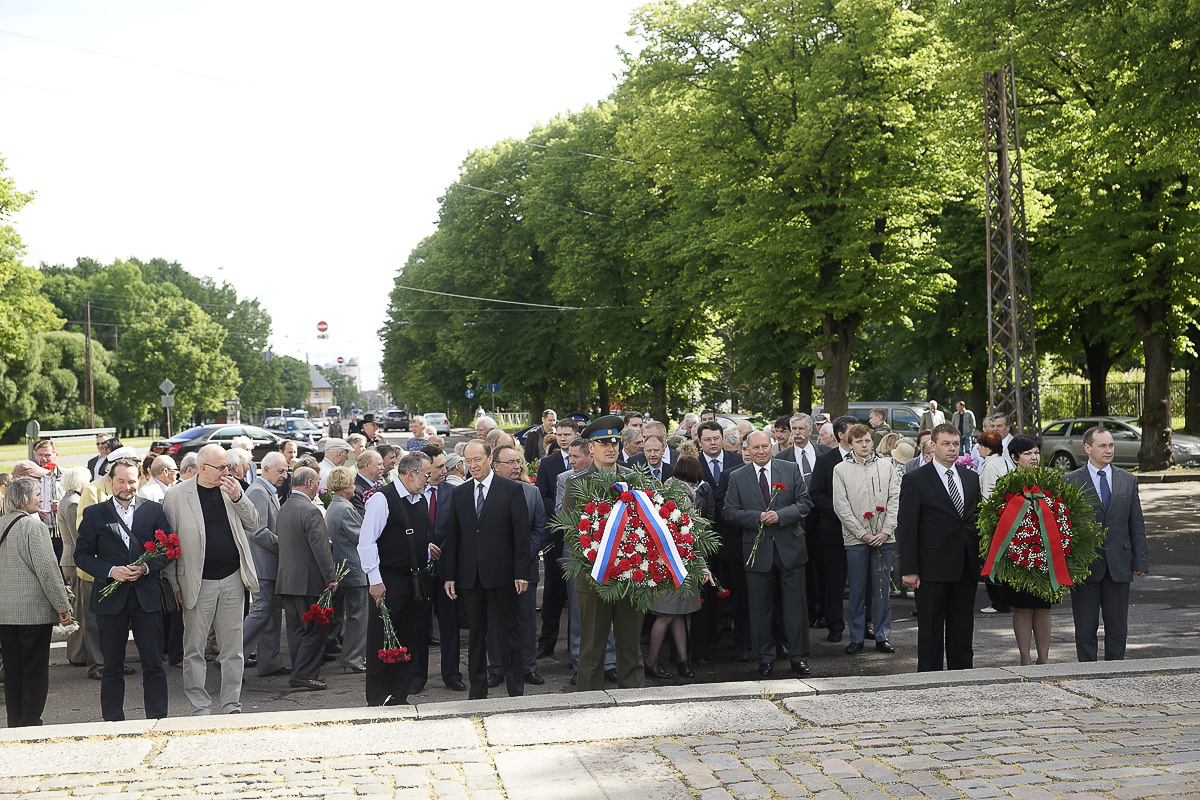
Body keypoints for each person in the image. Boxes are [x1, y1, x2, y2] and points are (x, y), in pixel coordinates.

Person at [164, 444, 260, 715]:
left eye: (228, 466)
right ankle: (200, 707)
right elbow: (169, 545)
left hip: (232, 579)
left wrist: (239, 497)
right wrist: (173, 583)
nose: (227, 471)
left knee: (233, 649)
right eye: (221, 467)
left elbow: (254, 523)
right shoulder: (176, 495)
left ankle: (231, 704)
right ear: (202, 468)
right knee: (194, 649)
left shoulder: (232, 488)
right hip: (197, 582)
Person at [74, 457, 171, 722]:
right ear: (110, 481)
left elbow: (168, 552)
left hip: (146, 598)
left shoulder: (153, 511)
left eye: (131, 481)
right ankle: (113, 723)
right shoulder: (95, 513)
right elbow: (81, 555)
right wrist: (110, 571)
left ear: (139, 480)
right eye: (121, 481)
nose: (126, 486)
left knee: (153, 664)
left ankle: (157, 719)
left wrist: (146, 568)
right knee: (112, 666)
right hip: (110, 599)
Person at [442, 440, 530, 699]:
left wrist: (521, 572)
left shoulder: (511, 490)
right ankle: (477, 690)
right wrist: (449, 575)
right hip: (470, 576)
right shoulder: (460, 493)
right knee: (476, 636)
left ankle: (516, 688)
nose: (473, 465)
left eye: (477, 459)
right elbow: (453, 537)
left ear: (490, 458)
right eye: (468, 461)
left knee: (508, 633)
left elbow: (521, 536)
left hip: (503, 575)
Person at [564, 416, 645, 690]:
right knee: (591, 650)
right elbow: (571, 533)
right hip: (593, 577)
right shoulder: (576, 484)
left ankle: (634, 701)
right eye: (603, 443)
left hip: (631, 576)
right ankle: (589, 704)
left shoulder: (633, 479)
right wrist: (602, 559)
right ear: (591, 449)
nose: (611, 447)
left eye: (615, 442)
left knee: (631, 647)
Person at [723, 430, 812, 677]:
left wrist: (781, 515)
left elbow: (805, 504)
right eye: (755, 448)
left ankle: (798, 657)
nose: (761, 451)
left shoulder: (791, 469)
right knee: (760, 609)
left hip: (790, 549)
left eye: (765, 446)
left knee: (795, 608)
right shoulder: (737, 477)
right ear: (747, 450)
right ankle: (765, 658)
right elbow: (729, 511)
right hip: (756, 550)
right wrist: (756, 518)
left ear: (771, 446)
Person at [897, 423, 981, 671]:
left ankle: (963, 677)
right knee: (931, 631)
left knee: (962, 628)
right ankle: (929, 681)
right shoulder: (915, 480)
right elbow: (907, 527)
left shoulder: (970, 477)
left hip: (965, 566)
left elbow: (974, 520)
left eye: (955, 444)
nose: (952, 449)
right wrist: (909, 569)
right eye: (946, 444)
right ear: (933, 445)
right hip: (931, 568)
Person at [358, 451, 437, 705]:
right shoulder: (383, 499)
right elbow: (367, 543)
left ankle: (399, 696)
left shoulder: (419, 498)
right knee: (383, 640)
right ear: (411, 474)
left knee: (408, 639)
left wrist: (424, 550)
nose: (428, 479)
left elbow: (407, 536)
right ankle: (379, 698)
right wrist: (375, 581)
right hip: (389, 581)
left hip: (415, 581)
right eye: (426, 475)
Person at [1064, 426, 1148, 662]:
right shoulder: (1070, 481)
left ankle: (1116, 673)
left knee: (1118, 628)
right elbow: (1064, 527)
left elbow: (1136, 524)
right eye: (1103, 445)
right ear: (1088, 448)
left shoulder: (1128, 480)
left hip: (1119, 565)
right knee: (1085, 627)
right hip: (1085, 567)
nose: (1108, 450)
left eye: (1111, 445)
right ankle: (1088, 673)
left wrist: (1140, 559)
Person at [0, 477, 73, 727]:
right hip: (33, 613)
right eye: (37, 494)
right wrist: (63, 606)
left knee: (12, 670)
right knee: (35, 669)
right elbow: (48, 572)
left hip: (4, 612)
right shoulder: (34, 527)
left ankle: (15, 721)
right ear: (24, 498)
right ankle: (30, 723)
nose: (41, 498)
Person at [833, 424, 901, 655]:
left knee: (882, 589)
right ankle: (856, 636)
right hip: (856, 539)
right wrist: (861, 533)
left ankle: (882, 636)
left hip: (884, 537)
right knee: (857, 590)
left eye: (868, 441)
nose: (864, 445)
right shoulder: (840, 469)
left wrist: (886, 530)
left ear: (872, 442)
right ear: (850, 444)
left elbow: (894, 499)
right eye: (859, 441)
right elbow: (841, 506)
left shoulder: (886, 465)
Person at [644, 456, 711, 680]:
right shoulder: (682, 495)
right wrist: (703, 567)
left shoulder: (670, 489)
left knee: (677, 615)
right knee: (665, 615)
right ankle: (651, 662)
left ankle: (683, 661)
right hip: (675, 564)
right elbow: (690, 535)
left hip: (671, 564)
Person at [991, 435, 1056, 665]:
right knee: (1022, 607)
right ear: (1014, 457)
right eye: (1028, 453)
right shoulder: (1006, 484)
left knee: (1043, 607)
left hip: (1045, 555)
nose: (1034, 457)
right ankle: (1025, 658)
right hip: (1017, 557)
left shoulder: (1050, 482)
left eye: (1036, 452)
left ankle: (1044, 658)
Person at [276, 467, 337, 690]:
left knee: (296, 630)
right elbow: (320, 548)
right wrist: (331, 577)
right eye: (318, 483)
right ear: (310, 483)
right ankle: (304, 674)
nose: (318, 489)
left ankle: (300, 671)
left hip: (288, 579)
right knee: (314, 628)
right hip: (308, 580)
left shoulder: (285, 507)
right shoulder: (310, 511)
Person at [489, 444, 545, 687]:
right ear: (496, 466)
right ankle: (497, 668)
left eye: (518, 462)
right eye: (510, 462)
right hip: (495, 570)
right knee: (496, 620)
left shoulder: (531, 492)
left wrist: (522, 558)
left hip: (525, 569)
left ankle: (527, 667)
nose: (516, 466)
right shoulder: (486, 492)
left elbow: (539, 529)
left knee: (526, 620)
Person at [418, 446, 465, 692]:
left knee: (449, 625)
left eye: (445, 465)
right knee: (418, 625)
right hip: (419, 570)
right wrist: (422, 545)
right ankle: (417, 677)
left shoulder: (454, 493)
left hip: (448, 572)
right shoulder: (412, 493)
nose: (444, 471)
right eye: (438, 467)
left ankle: (452, 674)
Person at [808, 415, 858, 643]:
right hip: (833, 533)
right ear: (841, 434)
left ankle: (863, 624)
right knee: (834, 583)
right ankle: (834, 625)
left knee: (861, 582)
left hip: (864, 533)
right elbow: (816, 494)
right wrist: (843, 512)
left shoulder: (866, 457)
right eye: (853, 430)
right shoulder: (826, 460)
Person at [533, 418, 578, 659]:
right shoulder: (548, 463)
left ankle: (576, 646)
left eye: (567, 434)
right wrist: (564, 511)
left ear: (576, 435)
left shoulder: (585, 459)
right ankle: (547, 643)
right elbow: (543, 494)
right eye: (559, 434)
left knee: (577, 596)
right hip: (556, 535)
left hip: (581, 534)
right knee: (552, 591)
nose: (562, 438)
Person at [242, 451, 290, 678]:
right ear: (266, 470)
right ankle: (229, 656)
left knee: (270, 614)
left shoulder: (265, 490)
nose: (285, 475)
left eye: (286, 470)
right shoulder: (259, 492)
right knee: (262, 611)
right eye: (280, 471)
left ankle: (270, 662)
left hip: (269, 565)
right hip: (263, 565)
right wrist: (285, 547)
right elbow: (257, 531)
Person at [326, 466, 369, 674]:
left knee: (351, 614)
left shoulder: (336, 505)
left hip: (343, 566)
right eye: (352, 484)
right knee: (358, 616)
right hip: (352, 568)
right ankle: (354, 658)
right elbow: (361, 537)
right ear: (344, 487)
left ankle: (352, 656)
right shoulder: (344, 508)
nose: (354, 487)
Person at [57, 466, 96, 670]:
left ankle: (77, 652)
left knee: (79, 609)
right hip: (74, 561)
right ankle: (79, 654)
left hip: (70, 560)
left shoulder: (67, 499)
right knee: (81, 609)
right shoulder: (73, 503)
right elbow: (77, 537)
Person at [975, 431, 1014, 615]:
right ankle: (1004, 599)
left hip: (994, 519)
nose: (978, 449)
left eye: (981, 445)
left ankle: (999, 602)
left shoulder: (990, 467)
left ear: (988, 448)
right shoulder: (1006, 462)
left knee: (992, 560)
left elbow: (988, 497)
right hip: (1007, 516)